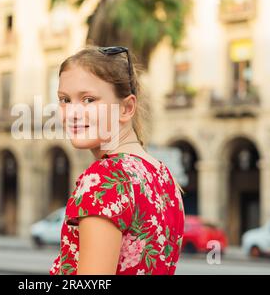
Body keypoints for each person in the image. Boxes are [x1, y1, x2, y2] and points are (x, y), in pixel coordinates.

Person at [49, 46, 185, 275]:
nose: (72, 113)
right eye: (65, 100)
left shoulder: (105, 178)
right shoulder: (164, 177)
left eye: (89, 99)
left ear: (127, 108)